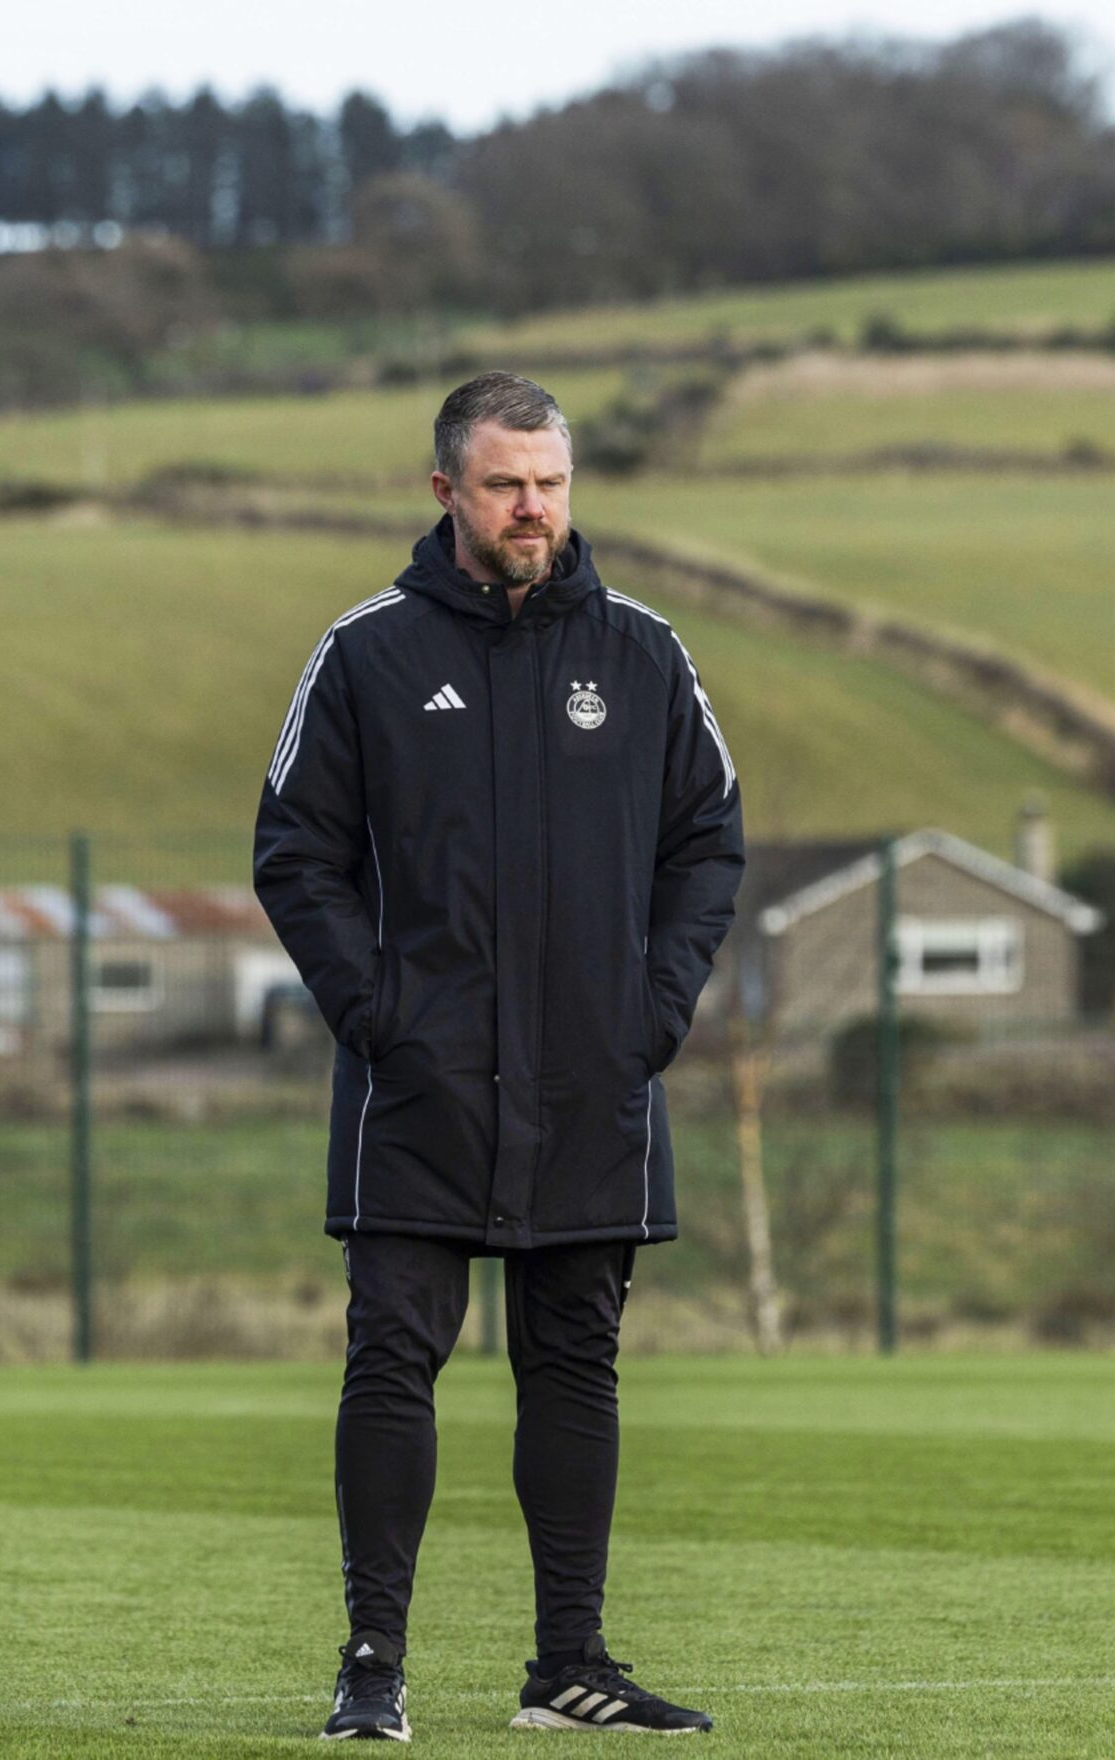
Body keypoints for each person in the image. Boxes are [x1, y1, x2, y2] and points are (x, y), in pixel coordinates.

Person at [254, 372, 745, 1741]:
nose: (532, 509)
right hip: (419, 1081)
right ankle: (372, 1667)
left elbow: (709, 839)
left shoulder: (644, 655)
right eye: (504, 485)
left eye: (551, 483)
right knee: (391, 1355)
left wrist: (654, 1008)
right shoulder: (366, 655)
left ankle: (568, 1667)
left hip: (598, 1074)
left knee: (577, 1361)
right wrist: (378, 1011)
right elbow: (294, 850)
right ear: (446, 495)